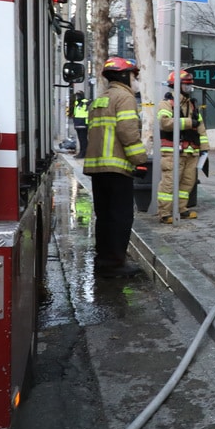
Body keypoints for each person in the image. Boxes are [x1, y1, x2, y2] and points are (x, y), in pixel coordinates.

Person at [83, 56, 147, 278]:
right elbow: (128, 133)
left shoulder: (100, 99)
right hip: (117, 168)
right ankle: (116, 263)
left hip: (97, 169)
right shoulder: (124, 98)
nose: (135, 80)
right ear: (123, 76)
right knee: (121, 217)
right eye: (133, 75)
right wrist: (140, 160)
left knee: (105, 217)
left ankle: (104, 259)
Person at [157, 69, 206, 224]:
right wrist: (189, 123)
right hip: (172, 151)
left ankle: (181, 208)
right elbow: (165, 123)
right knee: (169, 183)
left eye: (190, 86)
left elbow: (201, 128)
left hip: (191, 151)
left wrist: (204, 148)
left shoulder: (192, 105)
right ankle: (164, 212)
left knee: (187, 182)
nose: (189, 89)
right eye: (185, 85)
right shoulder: (166, 104)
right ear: (176, 86)